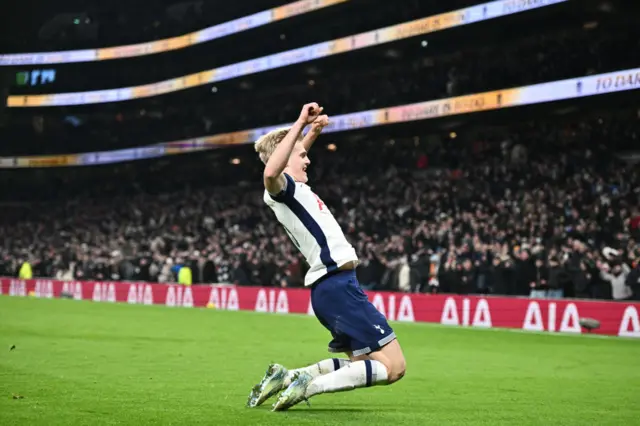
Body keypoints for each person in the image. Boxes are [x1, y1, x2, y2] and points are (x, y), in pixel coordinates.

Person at [246, 103, 406, 411]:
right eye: (302, 153)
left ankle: (289, 376)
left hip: (331, 289)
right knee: (395, 367)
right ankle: (308, 385)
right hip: (338, 286)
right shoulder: (281, 187)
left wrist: (313, 132)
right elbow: (273, 168)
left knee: (361, 362)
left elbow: (290, 158)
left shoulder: (291, 188)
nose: (308, 158)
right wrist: (299, 123)